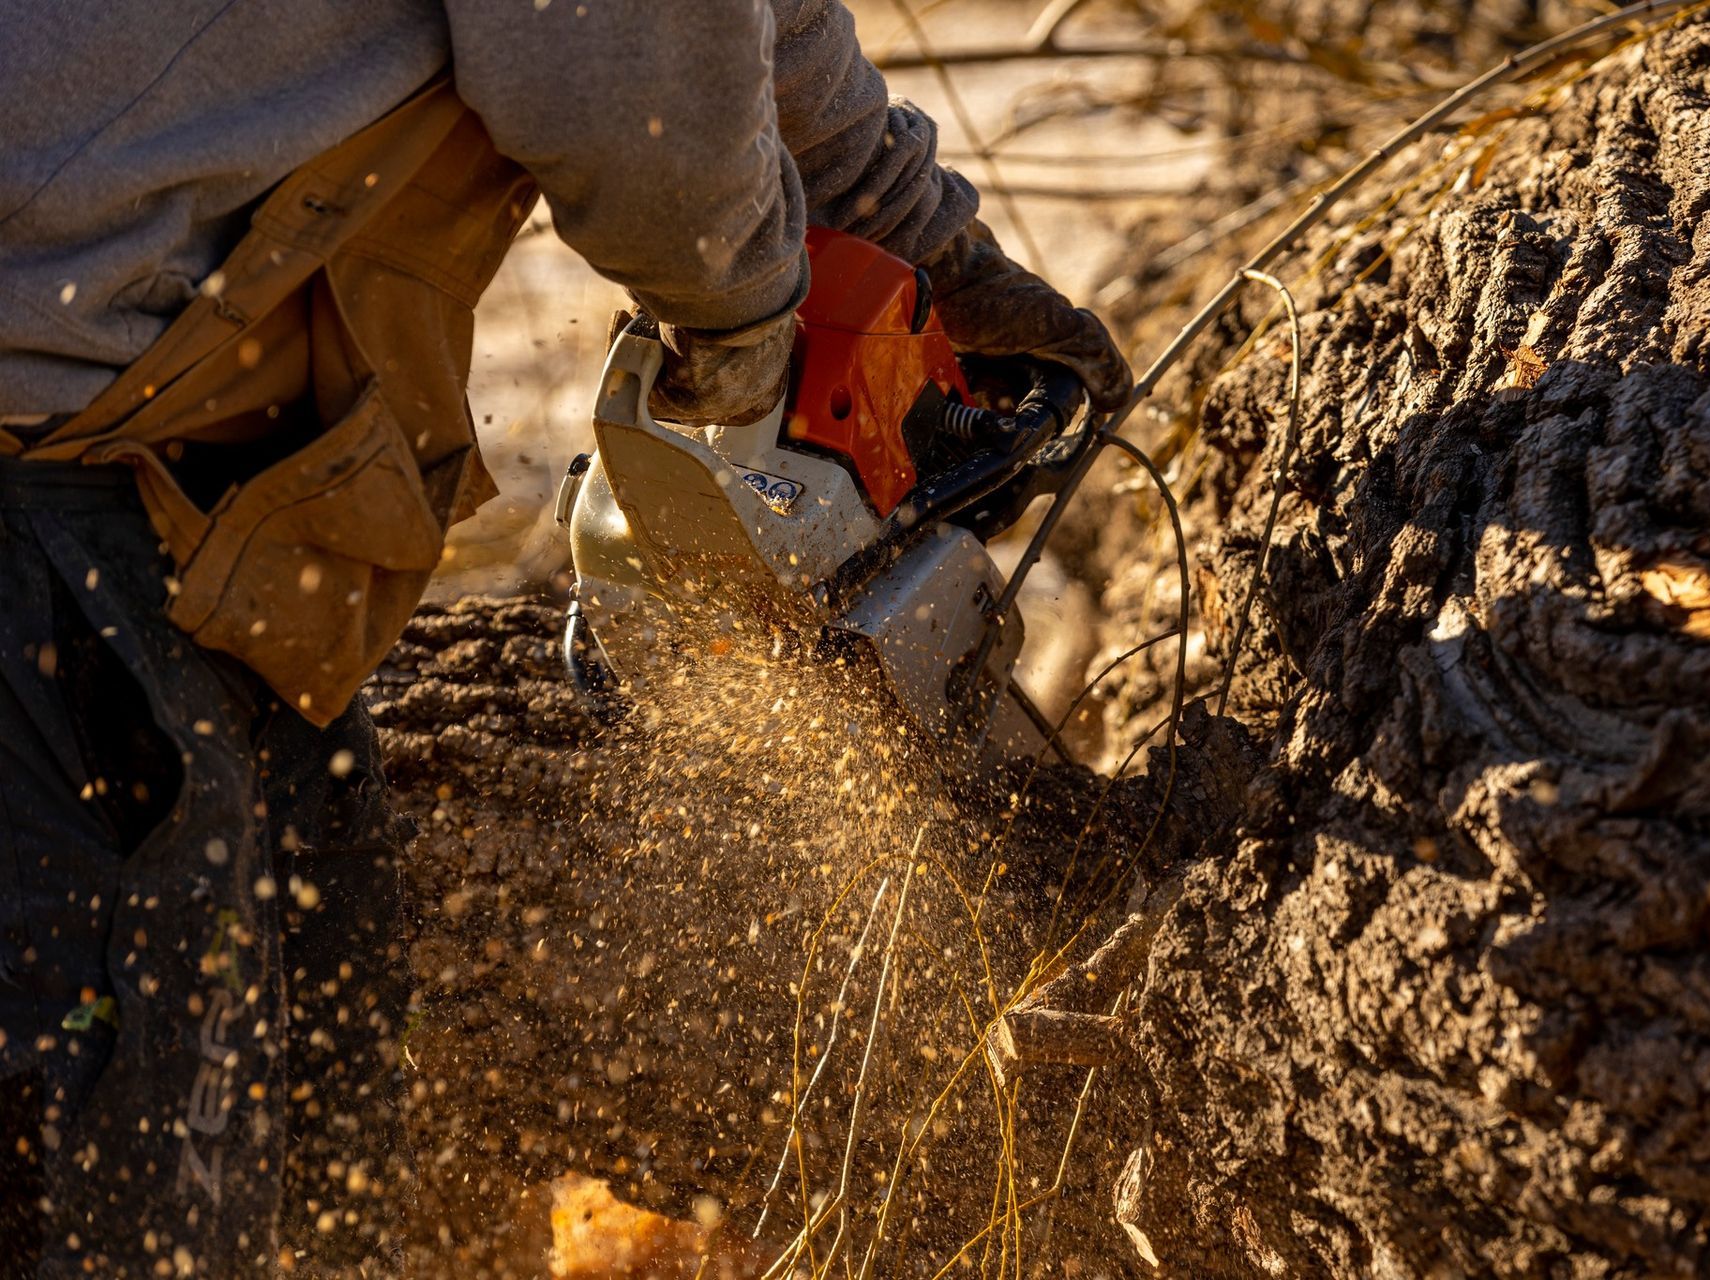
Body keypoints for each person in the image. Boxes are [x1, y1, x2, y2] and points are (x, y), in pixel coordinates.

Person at [0, 2, 1132, 1275]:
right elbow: (613, 64)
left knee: (329, 1125)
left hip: (188, 504)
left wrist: (913, 239)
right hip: (54, 493)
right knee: (125, 1197)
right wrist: (745, 326)